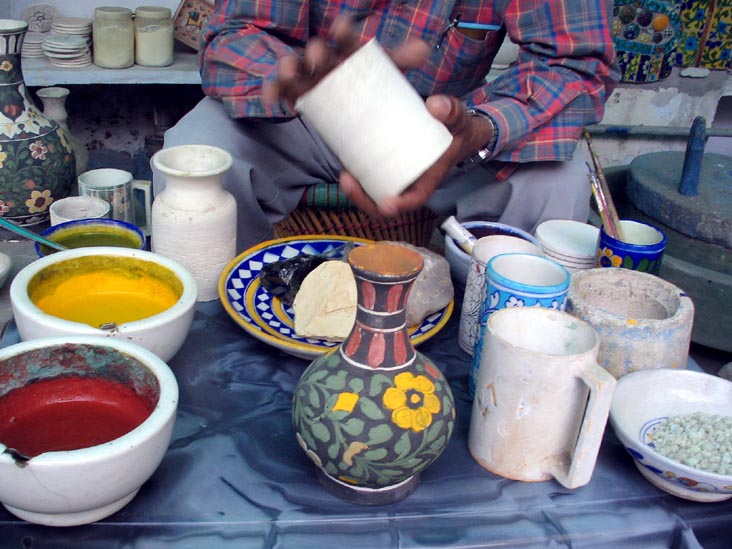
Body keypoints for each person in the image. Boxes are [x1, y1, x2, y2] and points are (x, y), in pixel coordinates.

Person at [154, 1, 619, 253]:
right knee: (197, 151)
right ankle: (230, 332)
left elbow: (574, 63)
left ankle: (495, 344)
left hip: (443, 134)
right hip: (314, 108)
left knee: (557, 179)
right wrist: (295, 75)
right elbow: (235, 30)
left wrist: (479, 129)